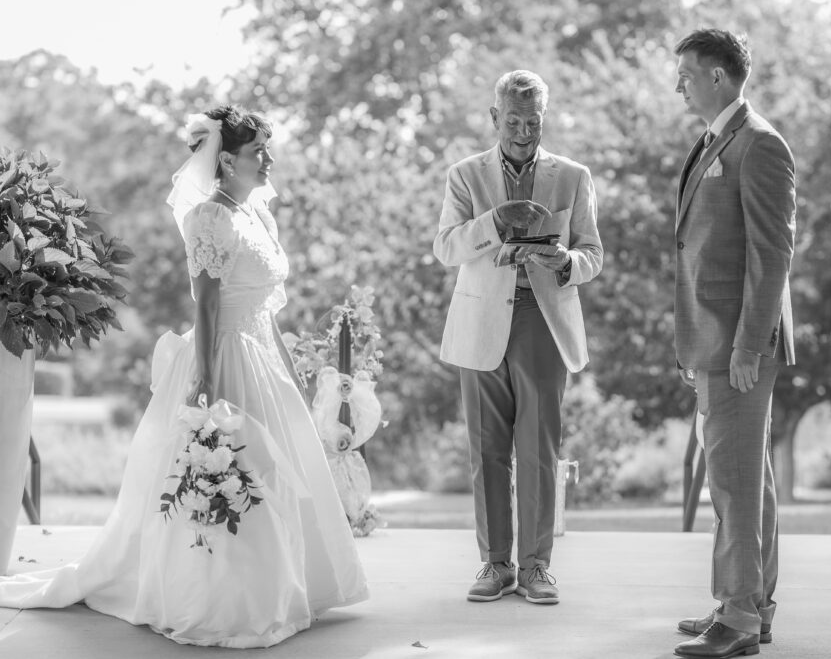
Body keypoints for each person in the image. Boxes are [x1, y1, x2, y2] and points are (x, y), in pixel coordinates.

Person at [0, 105, 368, 647]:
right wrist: (210, 386)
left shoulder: (258, 215)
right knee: (234, 472)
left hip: (264, 357)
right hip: (226, 359)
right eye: (257, 151)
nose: (268, 159)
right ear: (225, 162)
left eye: (266, 148)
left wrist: (290, 372)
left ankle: (294, 586)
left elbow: (268, 311)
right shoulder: (210, 219)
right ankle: (225, 598)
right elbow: (208, 308)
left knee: (284, 473)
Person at [433, 70, 602, 605]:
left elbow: (592, 253)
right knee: (487, 450)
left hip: (544, 322)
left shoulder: (573, 176)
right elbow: (446, 248)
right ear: (494, 117)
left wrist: (567, 261)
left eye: (533, 121)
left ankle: (536, 567)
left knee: (538, 449)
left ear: (544, 118)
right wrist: (495, 219)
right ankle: (495, 564)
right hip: (481, 323)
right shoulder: (465, 175)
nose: (524, 131)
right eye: (513, 121)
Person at [670, 30, 796, 659]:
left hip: (739, 343)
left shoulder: (761, 145)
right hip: (713, 338)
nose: (680, 86)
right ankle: (754, 608)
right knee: (752, 479)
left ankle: (738, 618)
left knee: (733, 482)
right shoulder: (717, 140)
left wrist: (748, 345)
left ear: (718, 77)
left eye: (687, 75)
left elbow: (772, 254)